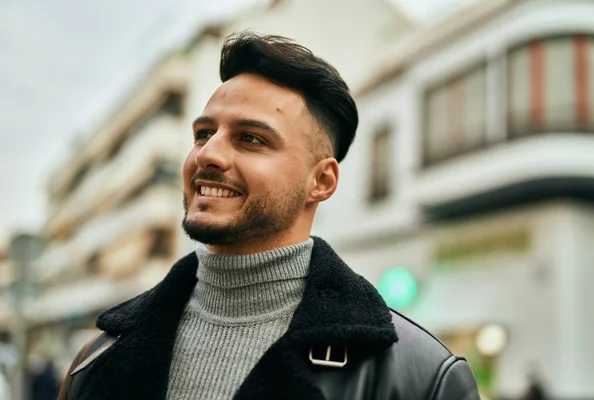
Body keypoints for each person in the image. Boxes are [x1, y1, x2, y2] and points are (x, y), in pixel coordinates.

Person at [58, 31, 480, 400]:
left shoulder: (419, 376)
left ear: (322, 181)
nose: (208, 154)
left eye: (250, 139)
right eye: (204, 134)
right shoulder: (98, 357)